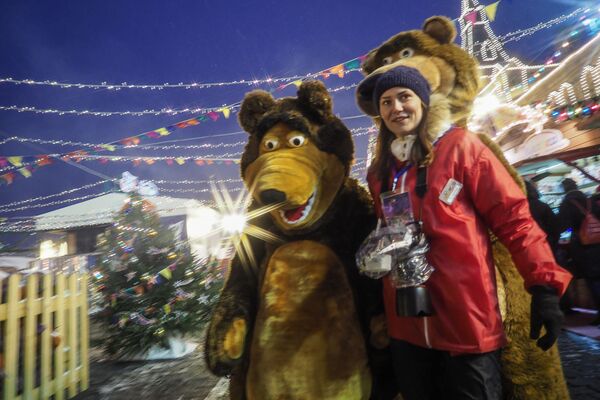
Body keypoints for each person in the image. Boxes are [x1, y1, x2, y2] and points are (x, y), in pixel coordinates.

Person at [355, 65, 572, 400]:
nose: (395, 107)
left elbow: (515, 219)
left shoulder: (463, 148)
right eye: (386, 102)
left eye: (404, 97)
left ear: (423, 102)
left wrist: (544, 287)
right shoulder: (381, 172)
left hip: (466, 321)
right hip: (406, 326)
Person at [557, 178, 600, 325]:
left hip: (583, 248)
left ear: (564, 189)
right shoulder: (590, 201)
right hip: (598, 243)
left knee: (593, 280)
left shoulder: (567, 205)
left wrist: (564, 245)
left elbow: (564, 228)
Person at [524, 180, 560, 253]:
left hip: (531, 249)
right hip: (547, 245)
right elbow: (555, 228)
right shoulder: (542, 206)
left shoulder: (521, 209)